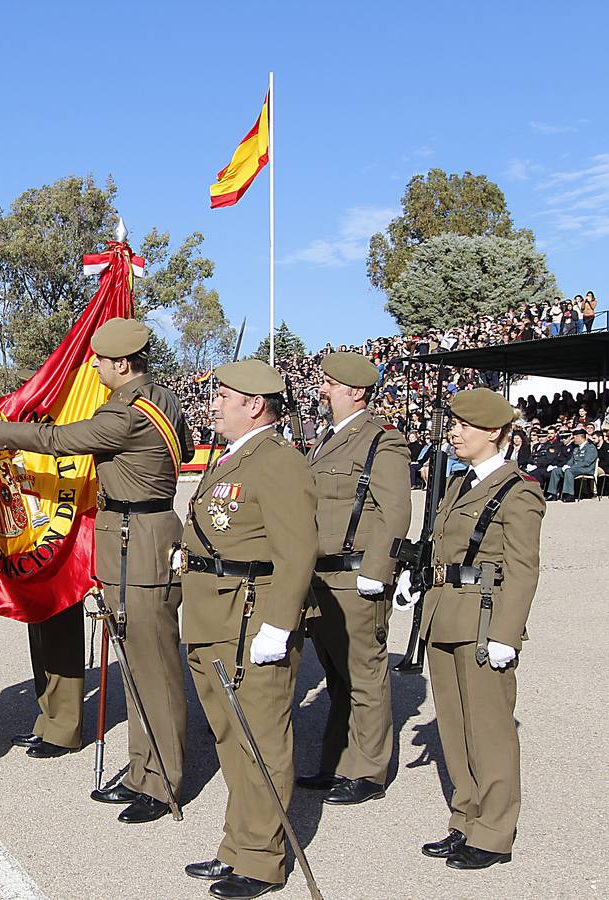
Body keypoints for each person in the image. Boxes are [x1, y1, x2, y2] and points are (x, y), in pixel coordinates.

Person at [0, 317, 194, 823]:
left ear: (122, 364)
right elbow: (188, 448)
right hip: (134, 537)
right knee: (136, 668)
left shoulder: (126, 414)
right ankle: (141, 771)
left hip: (140, 542)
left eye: (101, 363)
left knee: (153, 669)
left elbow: (62, 440)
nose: (96, 370)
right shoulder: (165, 400)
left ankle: (163, 781)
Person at [176, 359, 317, 900]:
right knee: (232, 739)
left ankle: (261, 860)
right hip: (213, 617)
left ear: (255, 404)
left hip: (249, 620)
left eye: (223, 396)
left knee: (260, 738)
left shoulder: (277, 462)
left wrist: (279, 625)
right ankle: (238, 845)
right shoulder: (233, 457)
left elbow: (297, 551)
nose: (212, 403)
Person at [393, 388, 543, 870]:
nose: (453, 433)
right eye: (453, 424)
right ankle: (466, 819)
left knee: (490, 731)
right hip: (443, 614)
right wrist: (415, 579)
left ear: (494, 432)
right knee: (455, 731)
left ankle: (494, 833)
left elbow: (523, 569)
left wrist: (506, 633)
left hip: (482, 621)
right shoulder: (457, 484)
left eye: (464, 425)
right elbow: (440, 546)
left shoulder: (518, 491)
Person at [297, 353, 411, 806]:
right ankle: (337, 763)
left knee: (364, 675)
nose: (321, 389)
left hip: (355, 575)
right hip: (320, 576)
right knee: (337, 676)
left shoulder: (382, 441)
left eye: (330, 383)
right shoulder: (325, 439)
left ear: (357, 391)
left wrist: (378, 572)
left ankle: (368, 771)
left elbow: (395, 511)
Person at [546, 427, 596, 501]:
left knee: (569, 471)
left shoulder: (590, 448)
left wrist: (571, 467)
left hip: (586, 469)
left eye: (574, 437)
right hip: (574, 468)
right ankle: (552, 493)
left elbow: (587, 462)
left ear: (580, 437)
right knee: (556, 471)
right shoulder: (576, 448)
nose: (573, 439)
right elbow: (571, 460)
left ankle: (569, 494)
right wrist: (566, 465)